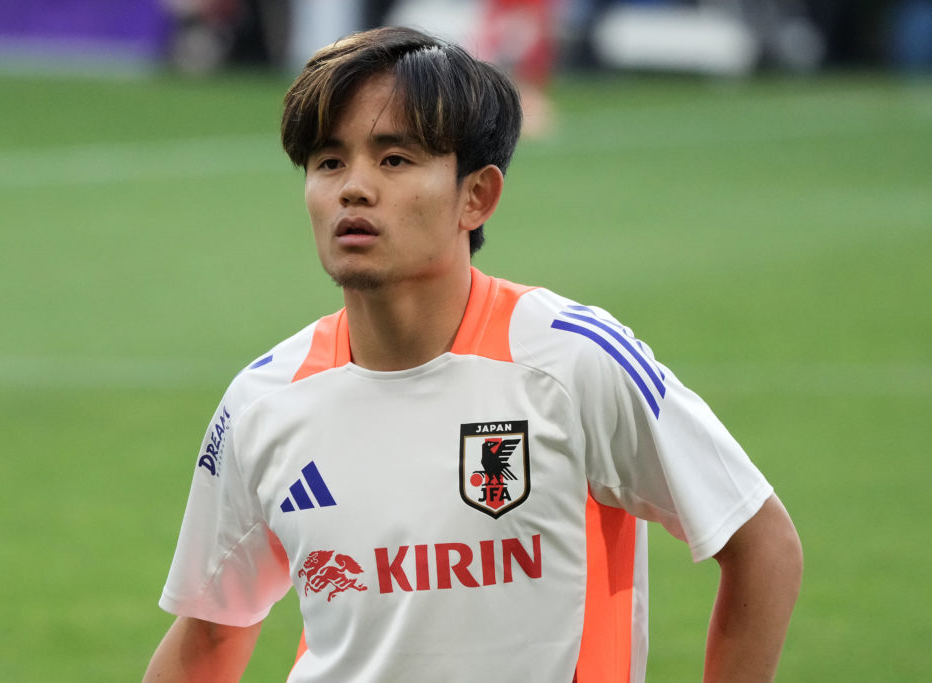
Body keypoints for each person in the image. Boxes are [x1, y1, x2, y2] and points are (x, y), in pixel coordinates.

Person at [143, 26, 802, 683]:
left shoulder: (568, 363)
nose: (354, 188)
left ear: (475, 197)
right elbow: (209, 631)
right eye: (328, 161)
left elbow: (761, 543)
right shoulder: (265, 400)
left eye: (394, 159)